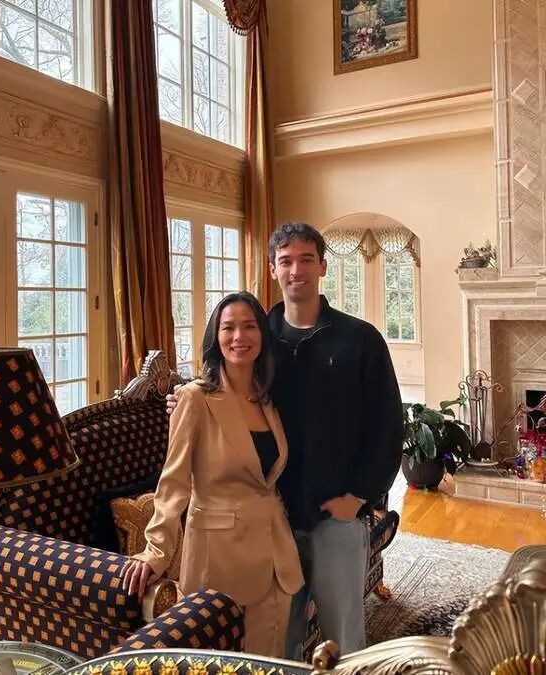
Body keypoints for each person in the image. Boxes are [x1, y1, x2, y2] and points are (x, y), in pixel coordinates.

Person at [167, 223, 402, 657]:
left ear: (323, 266)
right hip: (271, 522)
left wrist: (359, 497)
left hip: (336, 518)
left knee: (344, 642)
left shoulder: (360, 339)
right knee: (277, 643)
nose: (296, 270)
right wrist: (189, 396)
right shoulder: (262, 336)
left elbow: (388, 425)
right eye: (286, 261)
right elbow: (228, 381)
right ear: (273, 269)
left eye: (306, 259)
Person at [120, 291, 304, 658]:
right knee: (220, 663)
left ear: (262, 335)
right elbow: (173, 481)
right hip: (219, 557)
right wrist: (156, 550)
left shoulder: (267, 398)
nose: (239, 337)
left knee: (270, 660)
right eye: (228, 327)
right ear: (215, 337)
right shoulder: (194, 398)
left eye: (249, 326)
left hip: (275, 555)